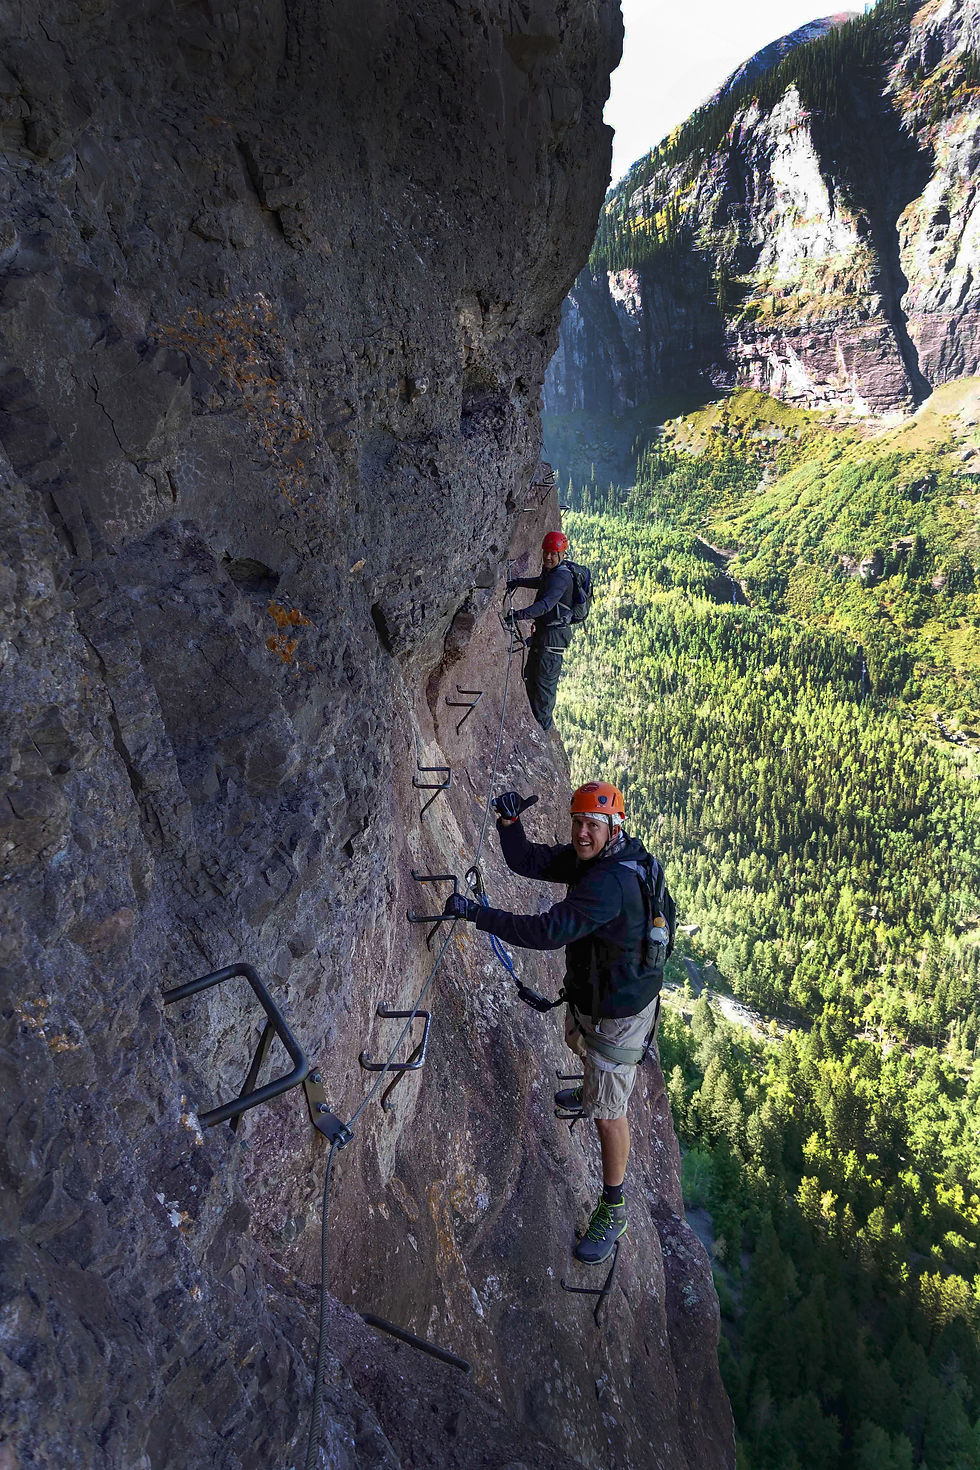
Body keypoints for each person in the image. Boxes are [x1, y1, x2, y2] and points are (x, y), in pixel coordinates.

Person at [443, 781, 665, 1264]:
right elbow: (531, 862)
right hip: (601, 996)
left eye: (592, 825)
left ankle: (614, 1205)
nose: (582, 833)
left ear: (614, 827)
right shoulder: (603, 858)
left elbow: (548, 931)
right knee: (576, 1041)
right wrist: (509, 824)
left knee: (609, 1111)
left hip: (619, 1013)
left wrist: (478, 915)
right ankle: (593, 1088)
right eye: (578, 822)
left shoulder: (610, 884)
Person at [505, 530, 573, 732]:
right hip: (543, 639)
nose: (548, 557)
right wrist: (519, 582)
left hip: (551, 645)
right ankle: (537, 726)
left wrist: (518, 615)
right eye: (546, 553)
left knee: (543, 690)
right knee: (530, 678)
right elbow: (541, 583)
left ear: (562, 555)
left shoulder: (562, 578)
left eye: (553, 553)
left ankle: (542, 731)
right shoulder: (551, 573)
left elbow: (545, 605)